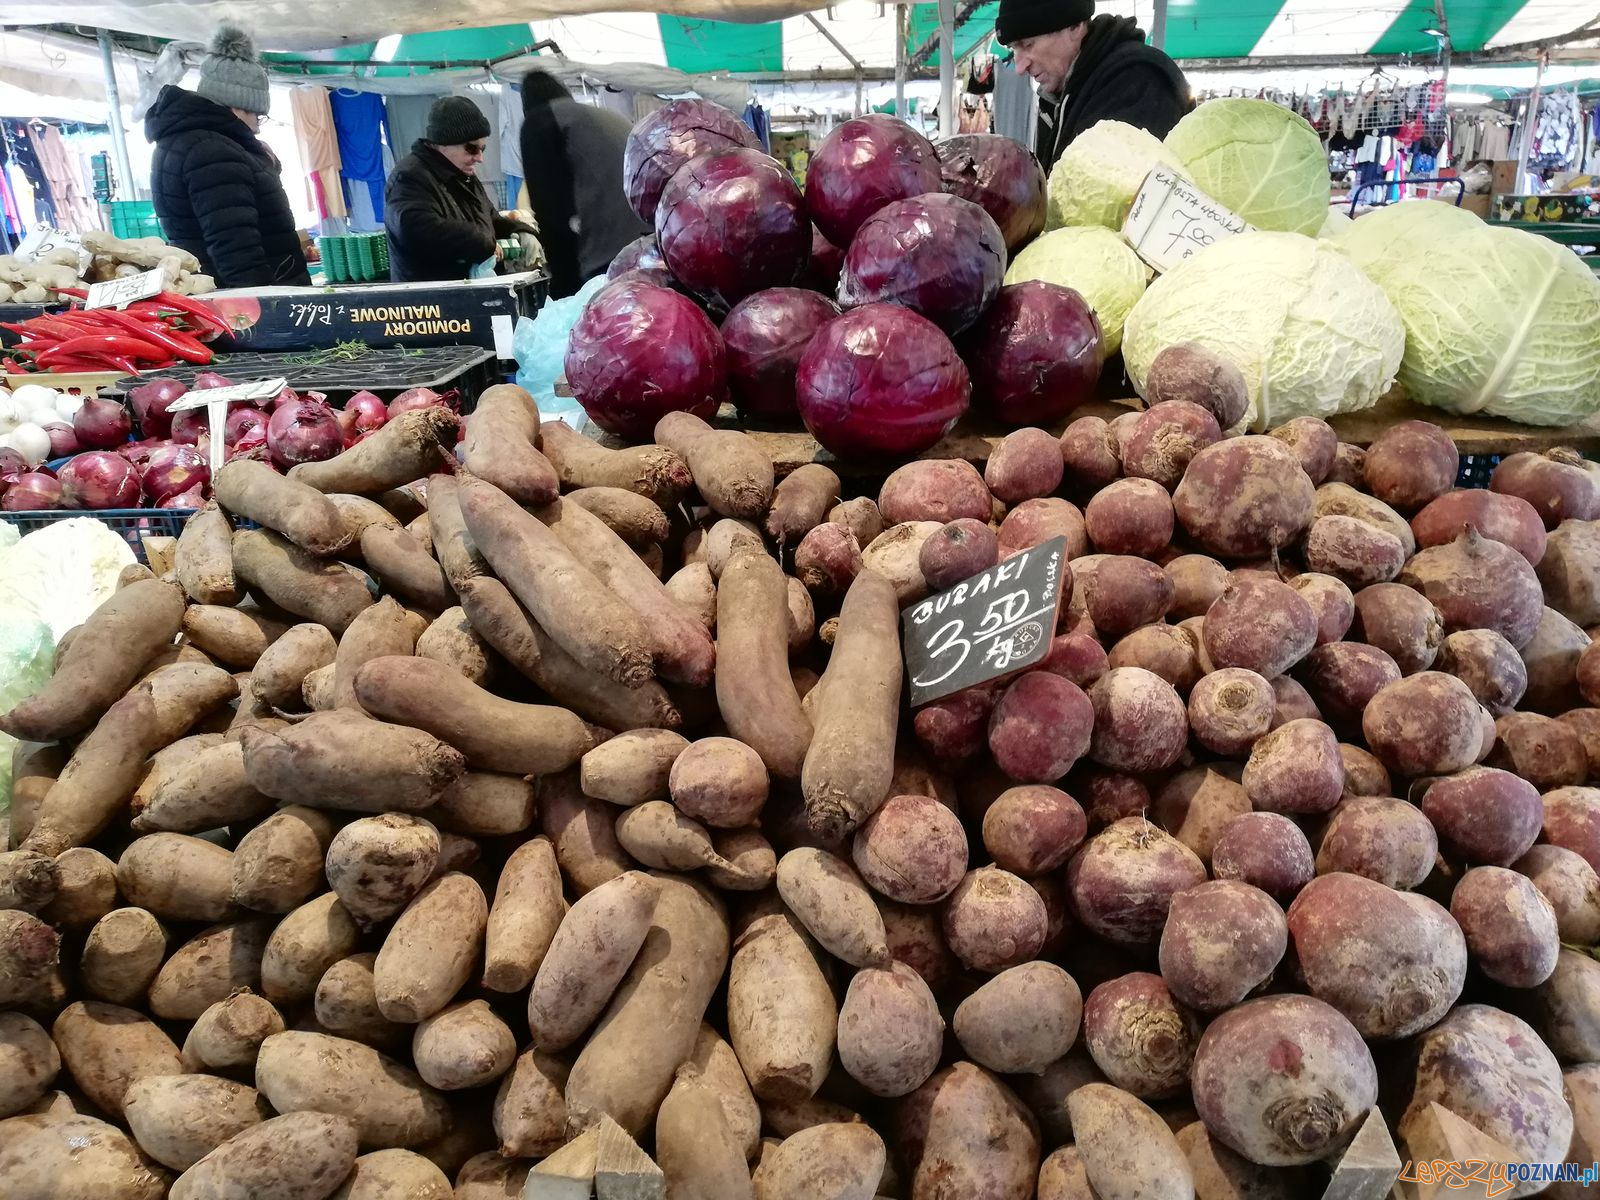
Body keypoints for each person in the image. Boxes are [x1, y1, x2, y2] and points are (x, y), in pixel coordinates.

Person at [145, 25, 311, 288]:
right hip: (252, 301)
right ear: (235, 105)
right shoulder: (212, 152)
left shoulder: (191, 142)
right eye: (256, 115)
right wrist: (263, 314)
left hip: (221, 291)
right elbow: (235, 249)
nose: (257, 126)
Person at [996, 0, 1190, 170]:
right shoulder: (1062, 95)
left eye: (1028, 45)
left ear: (1075, 26)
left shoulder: (1137, 80)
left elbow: (1119, 201)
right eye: (1013, 48)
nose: (1020, 67)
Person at [518, 70, 649, 299]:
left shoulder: (540, 120)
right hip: (647, 246)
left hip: (607, 259)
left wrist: (563, 291)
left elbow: (549, 210)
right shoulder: (601, 116)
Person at [385, 96, 536, 282]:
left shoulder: (464, 175)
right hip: (431, 301)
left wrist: (521, 230)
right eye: (472, 149)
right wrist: (482, 243)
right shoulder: (409, 177)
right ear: (444, 143)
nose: (480, 158)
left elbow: (489, 218)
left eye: (483, 149)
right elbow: (416, 228)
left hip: (466, 291)